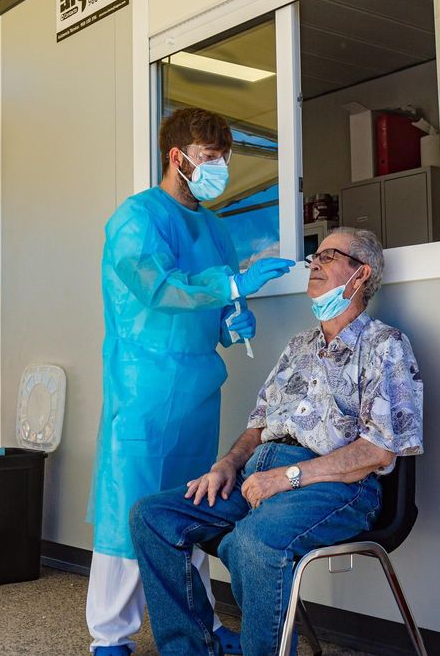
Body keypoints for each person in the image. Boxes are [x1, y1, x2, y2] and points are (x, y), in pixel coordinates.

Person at [130, 228, 424, 655]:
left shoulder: (386, 346)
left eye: (329, 255)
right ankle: (191, 649)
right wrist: (227, 465)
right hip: (261, 474)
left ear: (360, 275)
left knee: (252, 543)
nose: (315, 263)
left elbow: (377, 450)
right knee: (152, 515)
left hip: (337, 486)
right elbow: (257, 425)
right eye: (314, 255)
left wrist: (286, 477)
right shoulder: (299, 345)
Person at [87, 107, 294, 655]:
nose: (219, 169)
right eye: (209, 159)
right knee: (129, 508)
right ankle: (111, 635)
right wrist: (232, 282)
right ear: (176, 157)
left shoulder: (215, 228)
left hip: (199, 391)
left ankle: (199, 623)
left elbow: (217, 307)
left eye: (224, 159)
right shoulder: (136, 219)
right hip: (146, 389)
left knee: (194, 507)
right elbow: (161, 289)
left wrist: (234, 321)